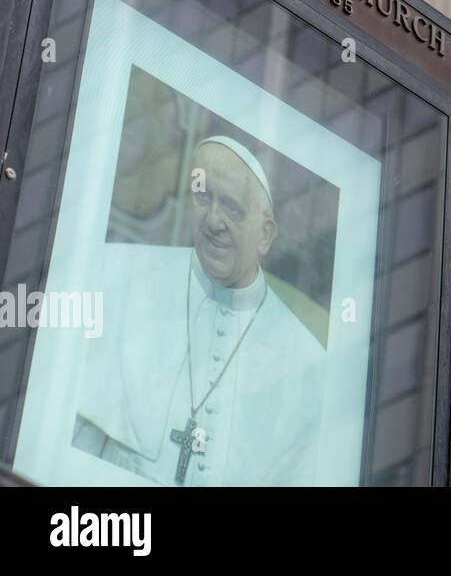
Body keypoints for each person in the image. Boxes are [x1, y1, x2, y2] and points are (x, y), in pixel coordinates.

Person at [73, 136, 325, 486]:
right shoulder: (124, 279)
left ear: (265, 233)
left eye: (232, 207)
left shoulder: (304, 360)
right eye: (203, 197)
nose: (213, 220)